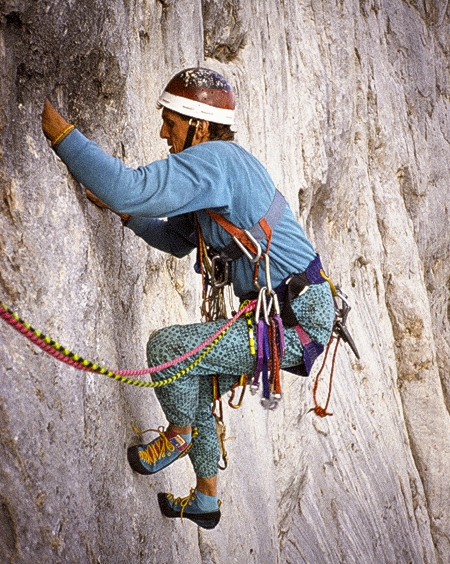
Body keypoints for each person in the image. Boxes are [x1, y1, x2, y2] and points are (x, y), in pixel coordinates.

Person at [41, 67, 335, 530]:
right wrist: (127, 216)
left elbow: (127, 184)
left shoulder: (214, 161)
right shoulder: (220, 167)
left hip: (295, 321)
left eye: (170, 122)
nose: (163, 132)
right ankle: (205, 499)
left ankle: (179, 436)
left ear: (198, 125)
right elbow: (178, 240)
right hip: (289, 314)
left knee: (168, 349)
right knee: (190, 377)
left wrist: (62, 136)